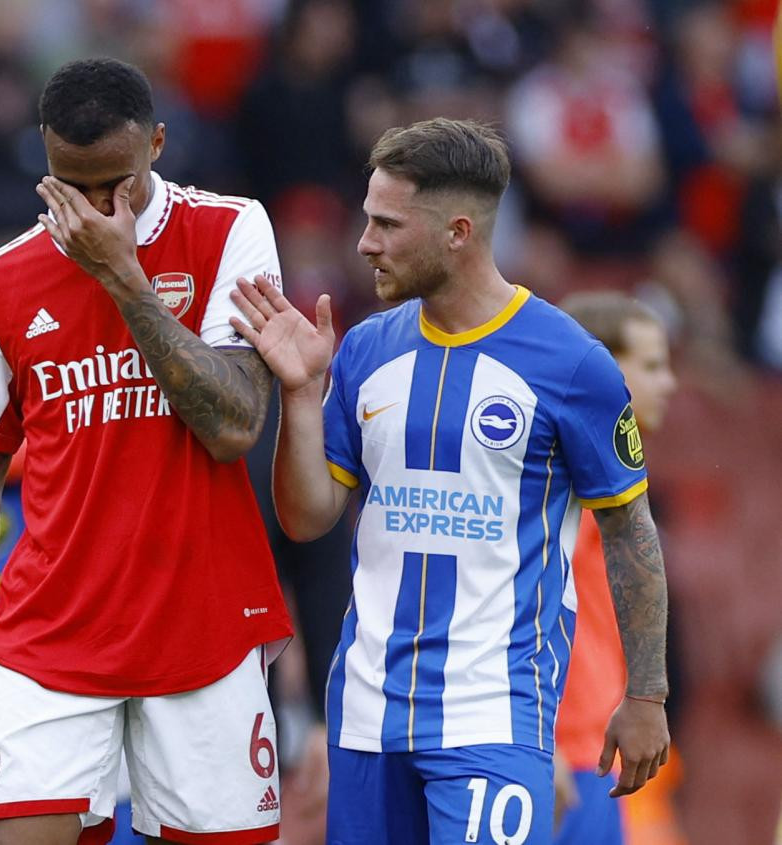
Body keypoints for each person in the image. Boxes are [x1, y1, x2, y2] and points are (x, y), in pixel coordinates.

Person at [228, 118, 671, 844]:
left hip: (492, 713)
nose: (364, 241)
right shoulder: (367, 350)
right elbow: (306, 518)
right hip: (366, 714)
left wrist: (647, 692)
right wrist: (302, 394)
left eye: (386, 223)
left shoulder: (571, 364)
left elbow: (631, 531)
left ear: (458, 232)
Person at [0, 58, 292, 844]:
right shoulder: (1, 279)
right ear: (43, 154)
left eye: (119, 181)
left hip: (202, 629)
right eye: (72, 186)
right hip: (54, 635)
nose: (98, 207)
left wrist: (123, 276)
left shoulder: (230, 229)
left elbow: (236, 423)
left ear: (159, 143)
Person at [555, 292, 679, 845]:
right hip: (562, 758)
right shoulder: (570, 493)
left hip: (595, 751)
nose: (669, 383)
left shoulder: (609, 487)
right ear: (603, 370)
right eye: (651, 366)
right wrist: (544, 741)